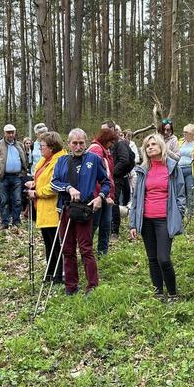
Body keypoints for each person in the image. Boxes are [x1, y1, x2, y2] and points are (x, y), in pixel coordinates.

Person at [51, 128, 110, 295]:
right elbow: (53, 183)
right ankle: (71, 286)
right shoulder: (61, 160)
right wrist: (68, 188)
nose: (78, 146)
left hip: (85, 209)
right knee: (67, 249)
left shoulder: (94, 159)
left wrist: (101, 197)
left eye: (81, 143)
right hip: (65, 209)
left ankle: (92, 285)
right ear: (69, 144)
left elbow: (106, 182)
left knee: (86, 248)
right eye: (74, 143)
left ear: (86, 142)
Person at [129, 133, 185, 298]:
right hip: (146, 219)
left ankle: (173, 293)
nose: (150, 147)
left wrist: (179, 214)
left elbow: (181, 194)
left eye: (153, 144)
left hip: (164, 219)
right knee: (152, 258)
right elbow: (136, 198)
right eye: (147, 145)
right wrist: (133, 223)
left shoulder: (173, 168)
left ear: (161, 146)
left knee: (164, 258)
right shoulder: (143, 170)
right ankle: (158, 292)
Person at [25, 131, 67, 283]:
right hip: (43, 209)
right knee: (48, 244)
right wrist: (34, 184)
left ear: (52, 147)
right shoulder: (45, 160)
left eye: (42, 146)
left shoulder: (59, 161)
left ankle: (58, 275)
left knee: (56, 244)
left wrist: (36, 192)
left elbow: (54, 186)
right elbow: (42, 178)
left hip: (53, 209)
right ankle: (50, 272)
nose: (40, 149)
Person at [0, 124, 28, 229]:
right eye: (8, 132)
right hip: (3, 177)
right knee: (4, 200)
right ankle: (4, 222)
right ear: (4, 133)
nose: (10, 134)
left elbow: (24, 159)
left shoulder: (20, 145)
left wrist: (23, 172)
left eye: (12, 132)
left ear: (15, 133)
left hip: (17, 176)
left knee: (17, 200)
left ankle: (16, 221)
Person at [87, 127, 117, 255]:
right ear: (106, 140)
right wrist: (105, 195)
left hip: (105, 193)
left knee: (105, 224)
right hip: (97, 195)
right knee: (94, 225)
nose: (112, 145)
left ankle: (102, 252)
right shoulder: (96, 150)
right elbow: (98, 176)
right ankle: (86, 251)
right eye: (111, 142)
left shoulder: (105, 151)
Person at [111, 124, 135, 237]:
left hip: (117, 178)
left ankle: (114, 231)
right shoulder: (112, 144)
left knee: (114, 202)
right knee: (115, 202)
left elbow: (127, 160)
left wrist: (113, 172)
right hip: (120, 177)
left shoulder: (120, 144)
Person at [177, 124, 194, 215]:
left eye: (186, 132)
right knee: (181, 191)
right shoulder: (180, 142)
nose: (184, 134)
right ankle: (181, 211)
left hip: (191, 169)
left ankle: (190, 213)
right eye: (183, 132)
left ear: (193, 133)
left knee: (190, 191)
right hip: (180, 169)